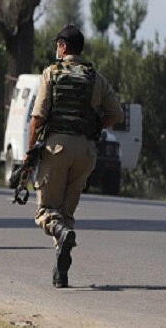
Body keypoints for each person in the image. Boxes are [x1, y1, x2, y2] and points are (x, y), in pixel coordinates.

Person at [27, 24, 123, 287]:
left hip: (56, 149)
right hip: (86, 152)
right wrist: (94, 126)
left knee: (46, 211)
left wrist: (28, 154)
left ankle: (58, 232)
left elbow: (37, 118)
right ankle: (61, 273)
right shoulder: (95, 78)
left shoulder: (51, 73)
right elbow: (116, 114)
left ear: (63, 47)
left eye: (57, 44)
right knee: (66, 213)